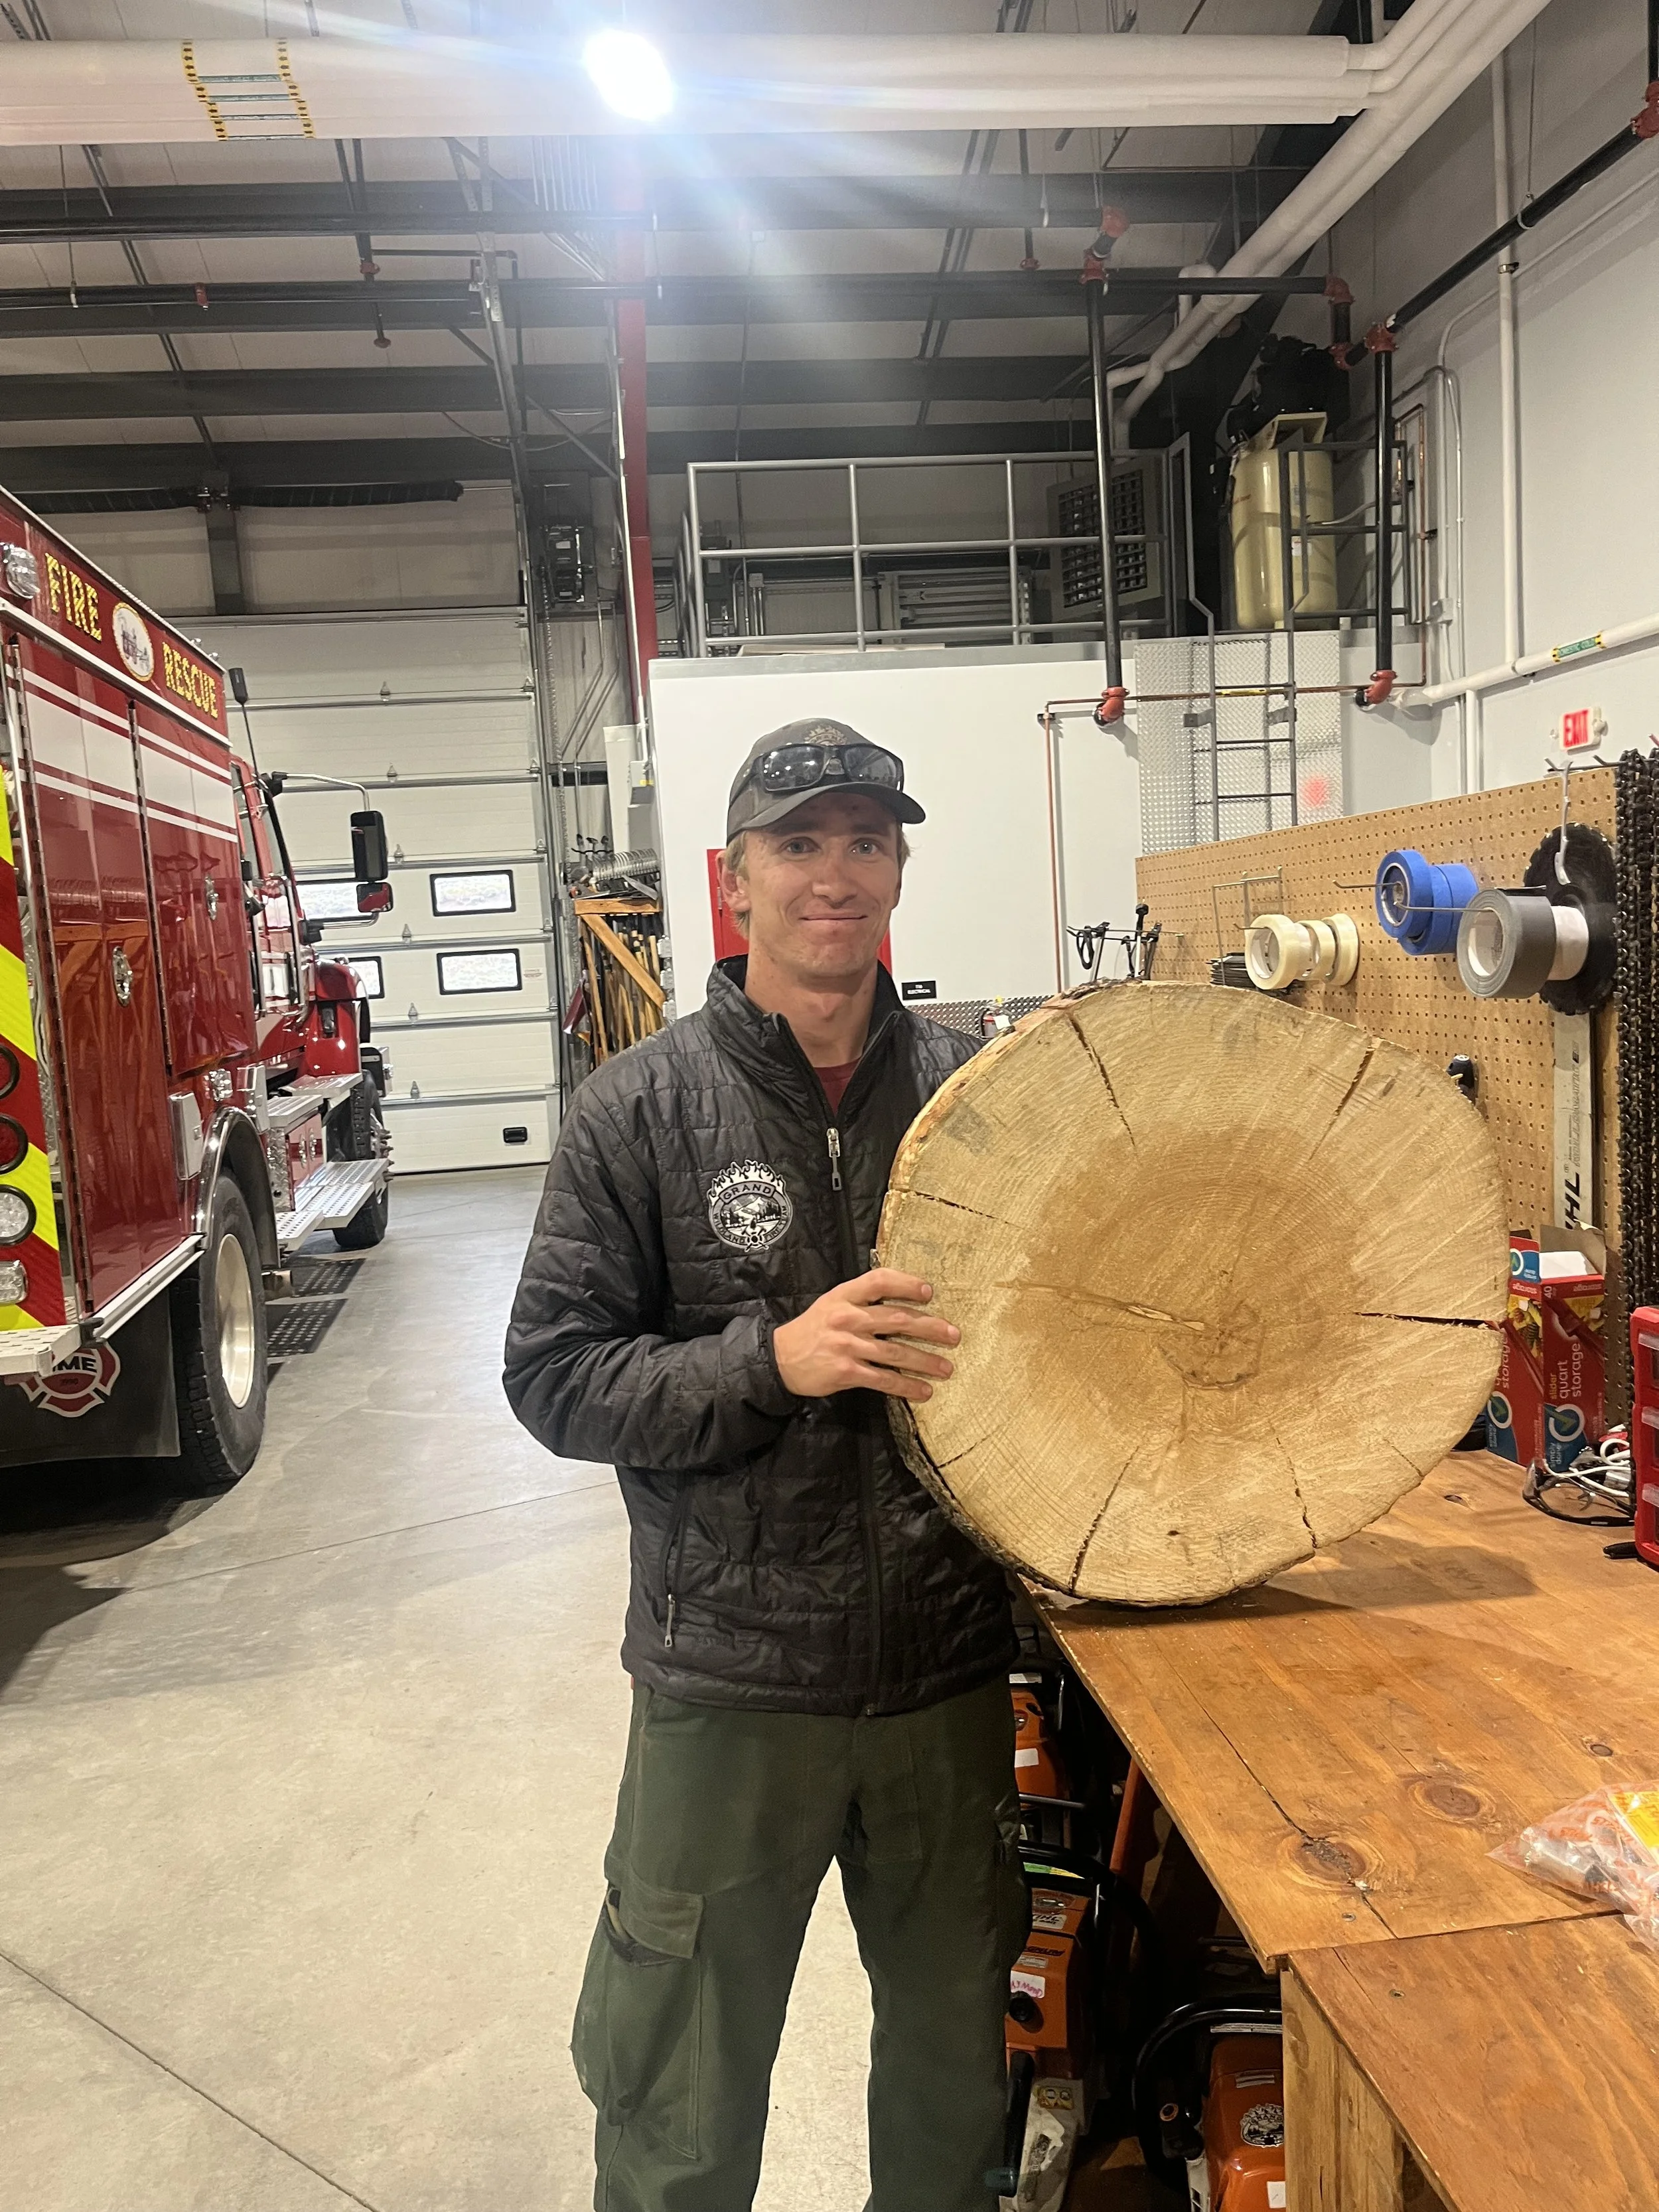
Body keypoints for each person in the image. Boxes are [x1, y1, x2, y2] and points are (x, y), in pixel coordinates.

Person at [504, 717, 1023, 2212]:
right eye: (799, 844)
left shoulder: (980, 1095)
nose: (834, 875)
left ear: (898, 871)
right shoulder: (638, 1110)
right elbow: (551, 1377)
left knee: (948, 2091)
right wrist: (768, 1361)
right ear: (737, 882)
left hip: (938, 1674)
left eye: (865, 841)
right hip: (730, 1687)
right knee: (676, 2099)